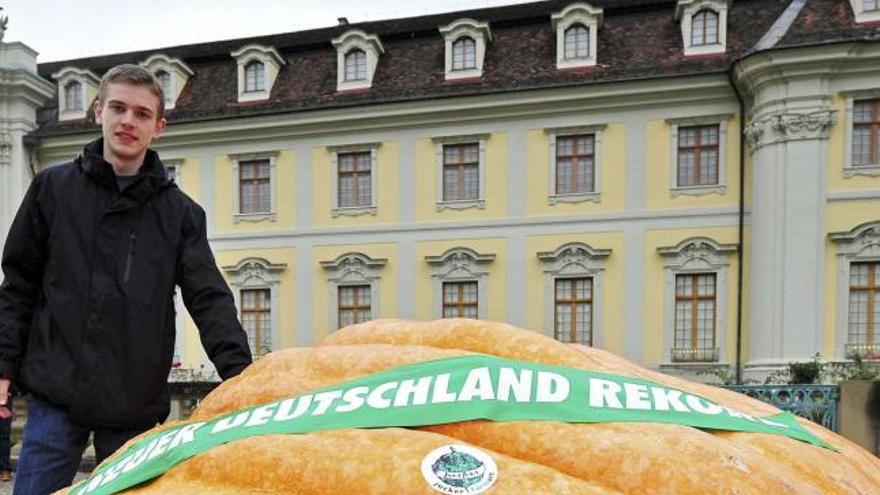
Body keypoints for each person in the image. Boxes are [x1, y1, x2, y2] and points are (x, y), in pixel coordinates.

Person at [0, 64, 253, 494]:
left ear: (159, 126)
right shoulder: (51, 190)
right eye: (118, 108)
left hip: (132, 406)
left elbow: (209, 300)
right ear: (98, 111)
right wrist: (2, 365)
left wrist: (244, 379)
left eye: (141, 114)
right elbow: (17, 286)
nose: (127, 121)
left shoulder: (180, 214)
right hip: (55, 398)